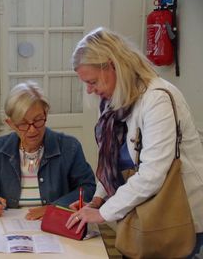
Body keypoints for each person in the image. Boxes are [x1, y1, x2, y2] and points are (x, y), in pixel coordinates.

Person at [65, 27, 203, 257]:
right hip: (141, 211)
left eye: (92, 81)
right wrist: (97, 200)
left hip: (176, 214)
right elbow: (109, 160)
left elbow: (152, 174)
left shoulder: (157, 99)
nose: (89, 90)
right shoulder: (112, 102)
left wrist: (102, 213)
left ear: (112, 65)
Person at [0, 81, 96, 220]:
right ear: (11, 124)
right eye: (23, 123)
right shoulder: (0, 148)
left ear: (46, 114)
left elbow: (88, 188)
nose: (33, 129)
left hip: (55, 225)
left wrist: (53, 208)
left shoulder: (69, 147)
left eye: (38, 120)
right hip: (10, 228)